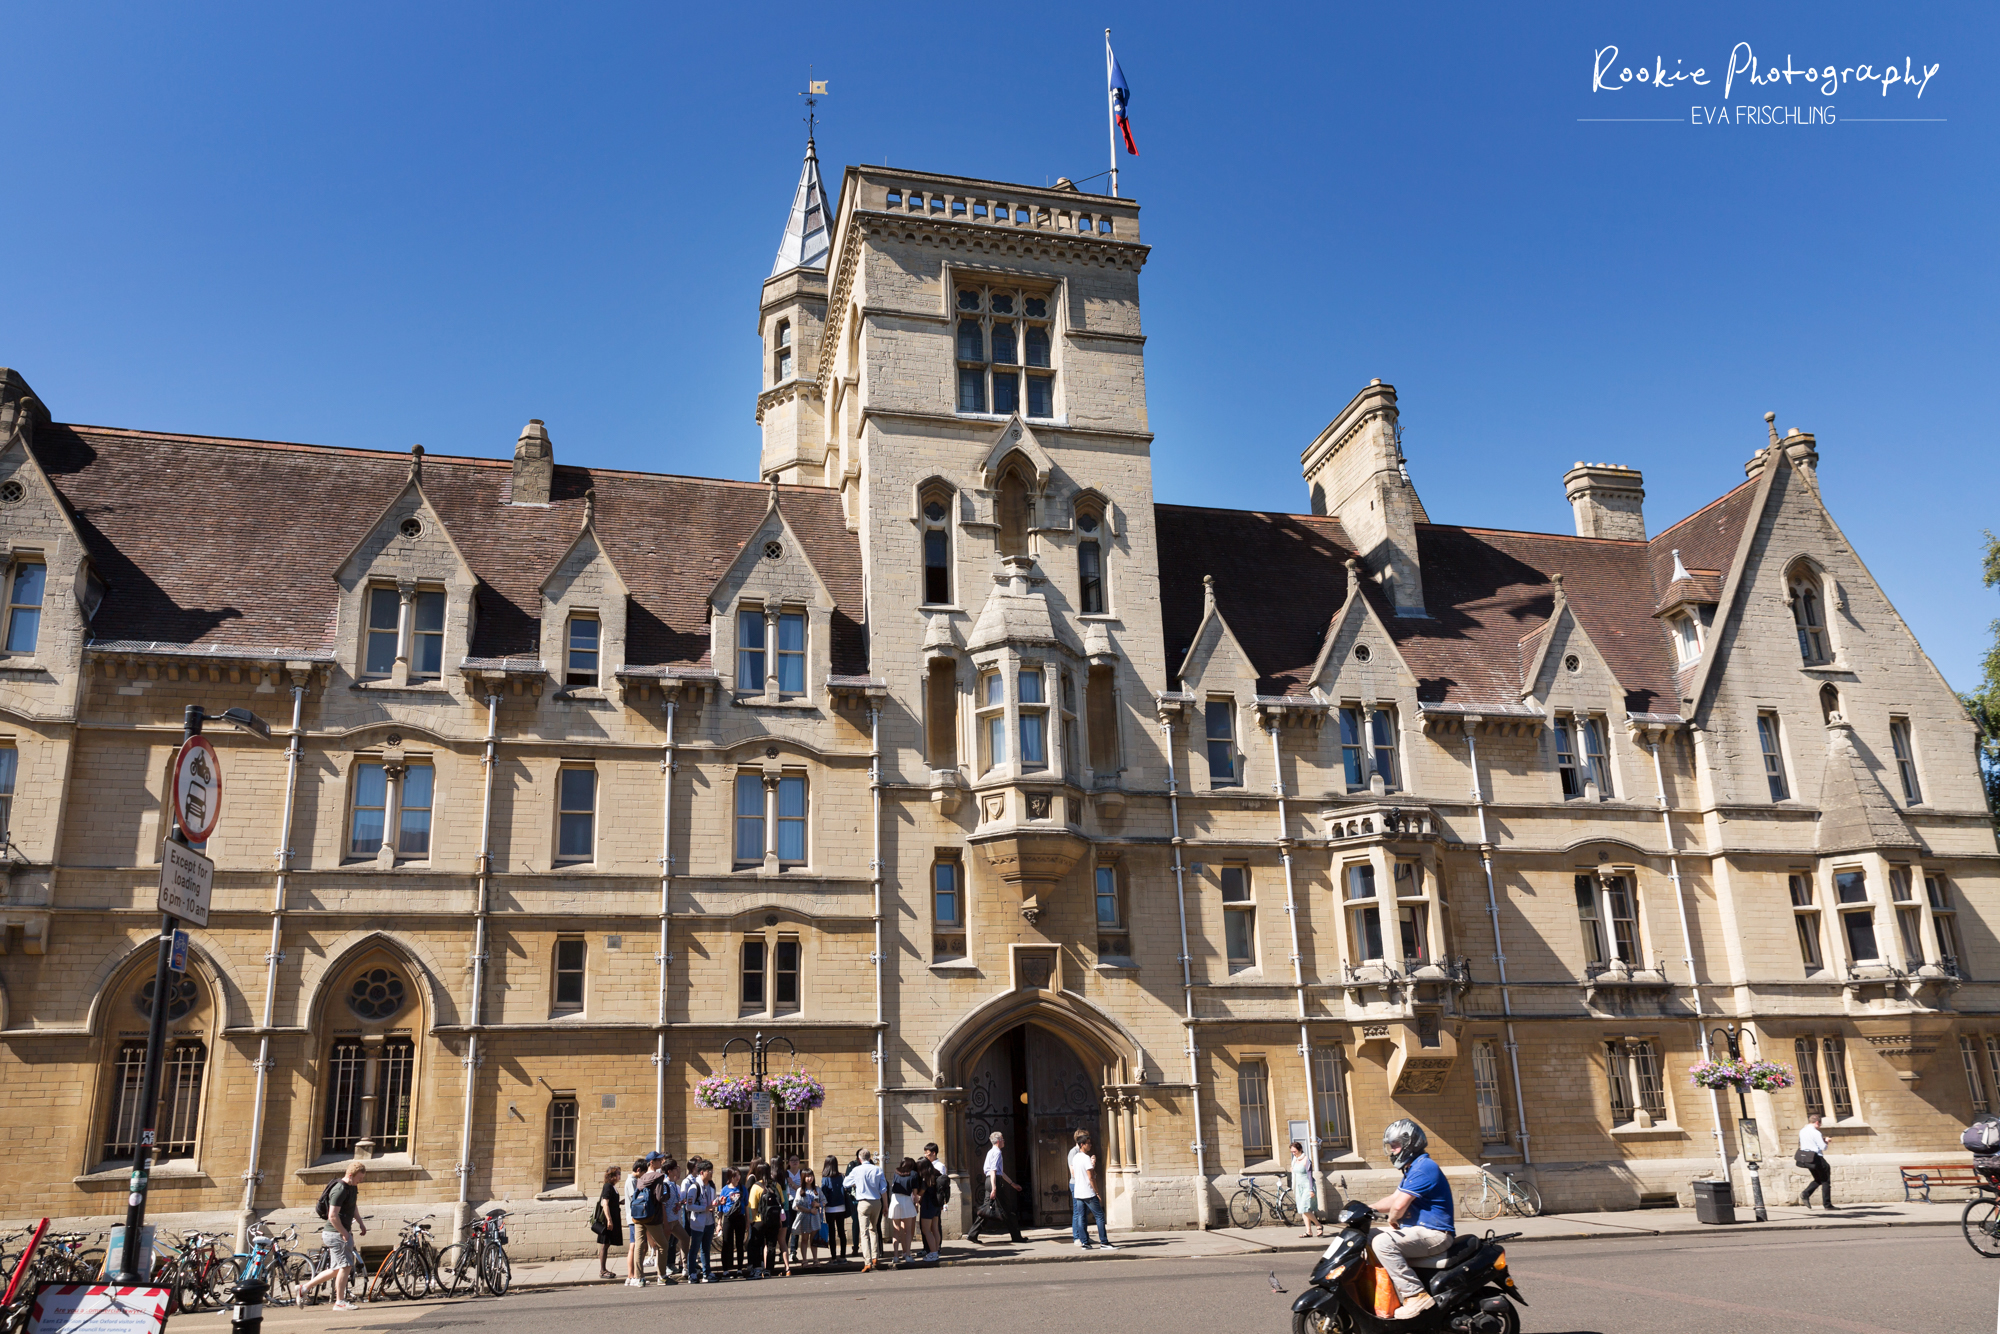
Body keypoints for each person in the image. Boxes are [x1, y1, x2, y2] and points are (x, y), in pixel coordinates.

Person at [1366, 1120, 1455, 1321]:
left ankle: (1415, 1296)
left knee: (1383, 1243)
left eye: (1395, 1145)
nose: (1392, 1150)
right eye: (1391, 1146)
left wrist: (1393, 1219)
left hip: (1436, 1233)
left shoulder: (1424, 1167)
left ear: (1410, 1143)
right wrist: (1366, 1208)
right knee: (1368, 1236)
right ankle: (1381, 1290)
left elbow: (1398, 1206)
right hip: (1419, 1230)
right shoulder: (1413, 1167)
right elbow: (1393, 1199)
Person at [298, 1160, 367, 1310]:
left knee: (337, 1269)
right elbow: (332, 1215)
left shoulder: (352, 1187)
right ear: (351, 1175)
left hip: (340, 1233)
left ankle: (304, 1288)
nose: (361, 1181)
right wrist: (345, 1233)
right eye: (359, 1178)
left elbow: (353, 1206)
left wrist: (360, 1223)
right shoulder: (340, 1189)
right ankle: (340, 1302)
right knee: (346, 1266)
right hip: (335, 1233)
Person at [965, 1131, 1026, 1244]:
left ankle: (972, 1234)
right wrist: (994, 1188)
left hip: (989, 1181)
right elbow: (993, 1170)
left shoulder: (990, 1152)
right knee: (1008, 1209)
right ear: (998, 1141)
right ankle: (1016, 1236)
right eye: (1002, 1139)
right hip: (994, 1181)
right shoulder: (997, 1152)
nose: (1004, 1141)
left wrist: (1012, 1184)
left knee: (986, 1209)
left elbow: (999, 1172)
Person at [633, 1153, 685, 1285]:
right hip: (652, 1216)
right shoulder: (658, 1176)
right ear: (651, 1162)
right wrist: (667, 1195)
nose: (661, 1162)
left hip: (639, 1214)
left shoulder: (642, 1177)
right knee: (663, 1245)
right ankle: (661, 1276)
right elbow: (660, 1197)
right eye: (658, 1160)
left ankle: (639, 1278)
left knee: (639, 1246)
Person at [843, 1149, 888, 1272]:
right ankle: (875, 1256)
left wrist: (856, 1183)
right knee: (874, 1230)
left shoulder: (856, 1170)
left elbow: (845, 1183)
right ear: (870, 1158)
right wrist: (886, 1205)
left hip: (863, 1202)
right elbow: (883, 1189)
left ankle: (867, 1261)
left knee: (864, 1233)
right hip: (876, 1201)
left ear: (859, 1159)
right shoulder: (878, 1169)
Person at [1068, 1130, 1113, 1250]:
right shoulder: (1086, 1158)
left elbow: (1075, 1174)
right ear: (1082, 1144)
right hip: (1088, 1192)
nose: (1090, 1145)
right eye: (1088, 1143)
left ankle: (1085, 1243)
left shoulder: (1076, 1158)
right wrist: (1097, 1192)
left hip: (1078, 1192)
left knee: (1081, 1217)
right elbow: (1091, 1177)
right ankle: (1104, 1242)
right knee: (1099, 1216)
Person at [682, 1159, 718, 1282]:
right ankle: (692, 1273)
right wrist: (705, 1208)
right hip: (698, 1223)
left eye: (712, 1171)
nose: (711, 1173)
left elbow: (712, 1201)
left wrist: (718, 1202)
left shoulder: (711, 1186)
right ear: (702, 1172)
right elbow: (689, 1206)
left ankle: (707, 1273)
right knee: (694, 1249)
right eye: (709, 1171)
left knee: (706, 1249)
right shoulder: (694, 1187)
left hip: (709, 1222)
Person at [747, 1160, 783, 1278]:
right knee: (771, 1245)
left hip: (759, 1220)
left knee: (756, 1245)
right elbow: (781, 1202)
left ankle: (757, 1269)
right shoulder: (776, 1185)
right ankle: (769, 1270)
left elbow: (752, 1206)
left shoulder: (756, 1186)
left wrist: (751, 1221)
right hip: (774, 1220)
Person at [887, 1157, 922, 1266]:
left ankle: (895, 1256)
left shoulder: (896, 1172)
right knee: (908, 1230)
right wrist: (916, 1204)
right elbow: (915, 1193)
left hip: (895, 1200)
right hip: (906, 1200)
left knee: (896, 1230)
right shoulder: (914, 1174)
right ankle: (907, 1254)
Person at [918, 1143, 949, 1261]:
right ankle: (934, 1250)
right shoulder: (935, 1172)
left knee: (927, 1229)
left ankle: (934, 1251)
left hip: (929, 1202)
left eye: (927, 1153)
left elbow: (923, 1190)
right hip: (935, 1202)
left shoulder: (932, 1172)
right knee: (934, 1228)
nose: (926, 1155)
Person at [593, 1163, 625, 1279]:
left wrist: (619, 1202)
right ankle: (602, 1270)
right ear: (612, 1176)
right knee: (604, 1244)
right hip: (607, 1220)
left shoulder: (612, 1187)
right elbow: (605, 1203)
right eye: (618, 1173)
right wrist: (609, 1220)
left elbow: (610, 1202)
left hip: (612, 1218)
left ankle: (604, 1269)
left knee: (606, 1244)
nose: (620, 1175)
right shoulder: (607, 1186)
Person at [820, 1154, 853, 1261]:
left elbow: (824, 1194)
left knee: (832, 1233)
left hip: (830, 1208)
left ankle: (833, 1258)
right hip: (841, 1208)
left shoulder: (825, 1179)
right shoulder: (841, 1176)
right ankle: (843, 1257)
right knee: (841, 1232)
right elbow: (847, 1188)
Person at [717, 1167, 748, 1277]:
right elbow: (720, 1208)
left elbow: (746, 1205)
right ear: (730, 1177)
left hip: (740, 1217)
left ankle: (739, 1268)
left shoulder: (742, 1188)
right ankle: (725, 1269)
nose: (737, 1178)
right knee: (726, 1243)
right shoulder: (725, 1189)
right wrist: (719, 1223)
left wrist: (748, 1221)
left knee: (740, 1244)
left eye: (739, 1175)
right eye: (735, 1176)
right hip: (728, 1217)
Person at [1291, 1140, 1326, 1238]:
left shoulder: (1306, 1160)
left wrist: (1311, 1189)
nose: (1293, 1153)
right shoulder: (1295, 1160)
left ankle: (1318, 1225)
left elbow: (1310, 1176)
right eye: (1292, 1152)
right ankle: (1308, 1231)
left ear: (1300, 1150)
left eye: (1295, 1151)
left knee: (1304, 1208)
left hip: (1307, 1186)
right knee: (1302, 1209)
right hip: (1299, 1187)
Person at [1798, 1113, 1833, 1209]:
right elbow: (1823, 1147)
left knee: (1818, 1179)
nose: (1820, 1126)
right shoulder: (1816, 1132)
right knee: (1825, 1181)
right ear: (1817, 1122)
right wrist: (1826, 1141)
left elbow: (1809, 1142)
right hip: (1817, 1158)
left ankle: (1805, 1193)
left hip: (1807, 1158)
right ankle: (1827, 1204)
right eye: (1820, 1124)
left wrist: (1822, 1140)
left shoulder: (1802, 1131)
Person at [623, 1156, 648, 1286]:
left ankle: (632, 1275)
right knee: (635, 1246)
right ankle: (632, 1275)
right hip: (634, 1218)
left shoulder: (632, 1180)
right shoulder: (632, 1181)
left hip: (633, 1217)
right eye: (643, 1173)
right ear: (638, 1170)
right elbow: (636, 1198)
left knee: (638, 1246)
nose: (643, 1176)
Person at [794, 1168, 826, 1267]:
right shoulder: (800, 1190)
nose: (809, 1178)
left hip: (815, 1218)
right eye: (807, 1176)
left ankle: (815, 1259)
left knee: (814, 1240)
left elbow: (824, 1201)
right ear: (803, 1178)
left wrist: (818, 1204)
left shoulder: (817, 1189)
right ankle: (804, 1260)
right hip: (805, 1218)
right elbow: (796, 1205)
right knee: (804, 1239)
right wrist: (809, 1210)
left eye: (811, 1176)